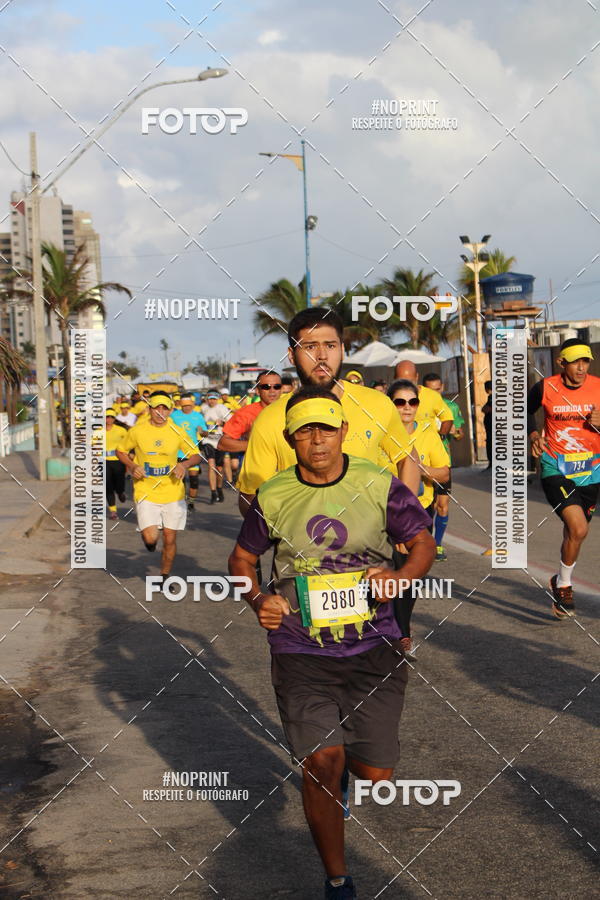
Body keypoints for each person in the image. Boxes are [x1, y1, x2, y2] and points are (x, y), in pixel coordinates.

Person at [229, 388, 435, 900]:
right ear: (290, 439)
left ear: (343, 431)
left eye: (326, 428)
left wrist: (400, 577)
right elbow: (241, 560)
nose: (317, 440)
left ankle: (348, 769)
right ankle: (338, 879)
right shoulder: (274, 495)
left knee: (376, 773)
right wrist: (258, 600)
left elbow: (422, 541)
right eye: (305, 431)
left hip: (375, 646)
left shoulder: (377, 482)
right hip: (300, 648)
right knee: (322, 764)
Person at [236, 308, 420, 517]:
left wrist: (404, 517)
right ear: (291, 355)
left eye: (330, 346)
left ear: (342, 349)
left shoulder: (377, 403)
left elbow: (407, 458)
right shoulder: (270, 419)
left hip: (373, 535)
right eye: (310, 346)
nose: (322, 356)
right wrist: (284, 528)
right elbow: (249, 496)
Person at [527, 338, 600, 618]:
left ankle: (559, 581)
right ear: (561, 363)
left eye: (586, 361)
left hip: (591, 470)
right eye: (575, 362)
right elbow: (522, 410)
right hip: (555, 466)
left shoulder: (598, 387)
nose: (581, 368)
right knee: (578, 528)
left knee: (574, 533)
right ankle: (566, 586)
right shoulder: (546, 387)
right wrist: (534, 435)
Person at [387, 379, 449, 653]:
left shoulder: (427, 432)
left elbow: (444, 472)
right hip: (386, 510)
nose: (407, 407)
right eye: (400, 402)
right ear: (390, 405)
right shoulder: (381, 432)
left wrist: (420, 470)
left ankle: (401, 626)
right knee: (393, 566)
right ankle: (401, 633)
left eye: (412, 402)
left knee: (413, 572)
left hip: (419, 511)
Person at [116, 391, 200, 583]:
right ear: (149, 409)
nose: (160, 412)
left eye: (164, 408)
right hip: (146, 491)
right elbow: (120, 451)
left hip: (173, 492)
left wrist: (184, 465)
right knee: (150, 538)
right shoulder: (137, 431)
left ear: (170, 410)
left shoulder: (177, 431)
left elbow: (196, 455)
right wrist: (133, 466)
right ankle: (151, 542)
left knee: (169, 539)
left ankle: (164, 576)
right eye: (156, 408)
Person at [421, 373, 465, 561]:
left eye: (438, 389)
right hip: (423, 463)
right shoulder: (416, 404)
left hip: (442, 463)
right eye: (431, 390)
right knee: (426, 506)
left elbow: (460, 434)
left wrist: (455, 433)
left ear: (443, 387)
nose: (435, 393)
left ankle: (437, 545)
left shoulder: (451, 407)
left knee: (442, 506)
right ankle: (425, 544)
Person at [217, 371, 282, 457]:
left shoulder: (290, 409)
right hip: (259, 463)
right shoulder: (246, 413)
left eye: (277, 387)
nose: (272, 391)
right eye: (266, 387)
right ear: (257, 391)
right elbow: (223, 443)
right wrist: (257, 445)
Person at [394, 361, 453, 437]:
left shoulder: (432, 396)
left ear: (417, 377)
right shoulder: (390, 399)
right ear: (395, 379)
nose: (406, 385)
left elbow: (447, 418)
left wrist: (441, 437)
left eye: (410, 381)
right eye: (402, 381)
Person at [171, 392, 208, 511]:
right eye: (184, 406)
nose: (186, 408)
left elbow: (205, 433)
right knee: (180, 481)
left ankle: (191, 503)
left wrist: (202, 432)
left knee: (194, 480)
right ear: (180, 405)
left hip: (192, 452)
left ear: (192, 405)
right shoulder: (174, 416)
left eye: (188, 406)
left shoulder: (198, 416)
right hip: (178, 452)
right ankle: (181, 502)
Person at [201, 389, 232, 504]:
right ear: (207, 399)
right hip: (208, 441)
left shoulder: (222, 408)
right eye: (210, 399)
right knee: (211, 466)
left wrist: (222, 423)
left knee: (219, 469)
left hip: (220, 441)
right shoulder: (203, 408)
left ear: (217, 399)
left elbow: (232, 423)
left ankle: (219, 489)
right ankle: (213, 492)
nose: (212, 401)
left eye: (214, 399)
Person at [104, 408, 128, 520]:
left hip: (118, 461)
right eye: (107, 417)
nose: (109, 419)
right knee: (108, 486)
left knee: (119, 484)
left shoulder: (121, 430)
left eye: (111, 417)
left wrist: (127, 456)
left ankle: (120, 492)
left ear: (114, 419)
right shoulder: (98, 431)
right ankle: (113, 511)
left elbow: (128, 443)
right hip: (104, 461)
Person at [482, 380, 493, 470]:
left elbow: (488, 409)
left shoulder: (493, 397)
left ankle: (492, 462)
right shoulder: (490, 397)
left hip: (492, 425)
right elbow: (484, 408)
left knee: (491, 443)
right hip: (489, 425)